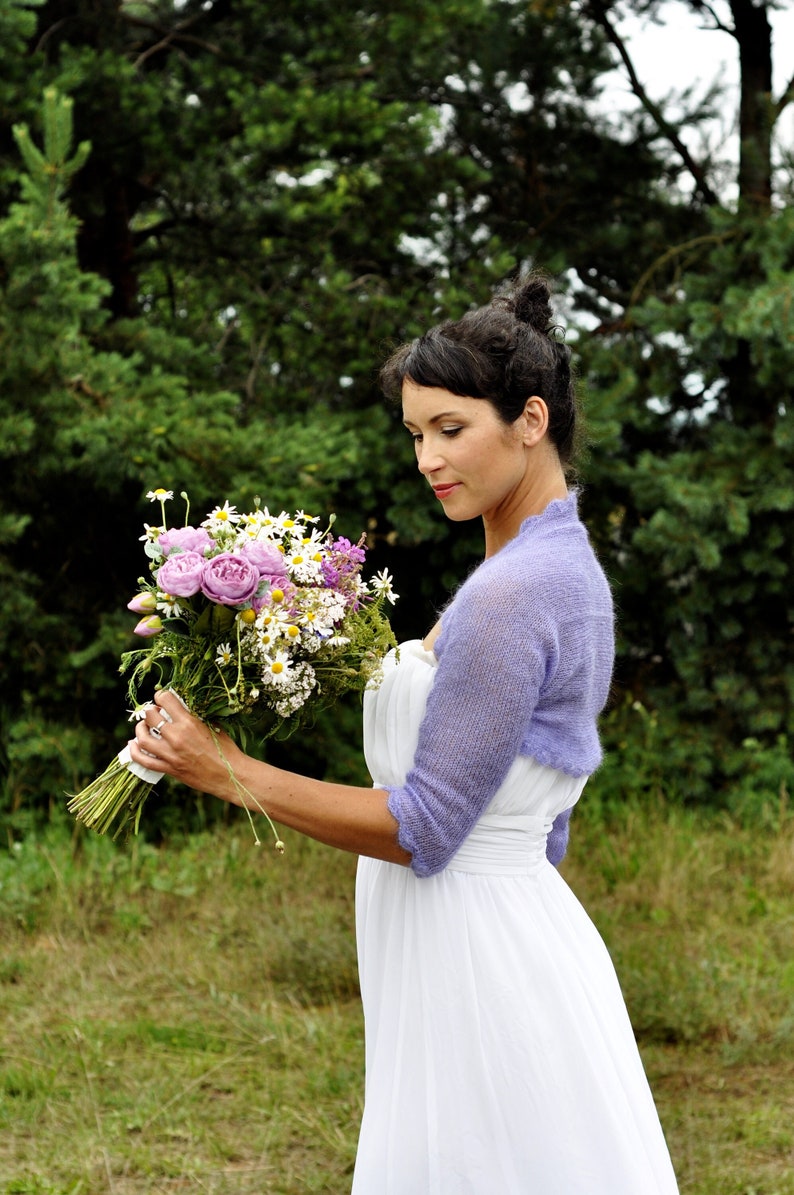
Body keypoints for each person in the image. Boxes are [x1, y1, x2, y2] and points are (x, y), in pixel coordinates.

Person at [130, 274, 679, 1194]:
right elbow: (543, 811)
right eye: (416, 434)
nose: (428, 457)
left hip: (478, 958)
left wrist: (224, 768)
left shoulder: (512, 594)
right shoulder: (553, 565)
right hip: (496, 935)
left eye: (451, 429)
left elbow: (422, 825)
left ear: (531, 420)